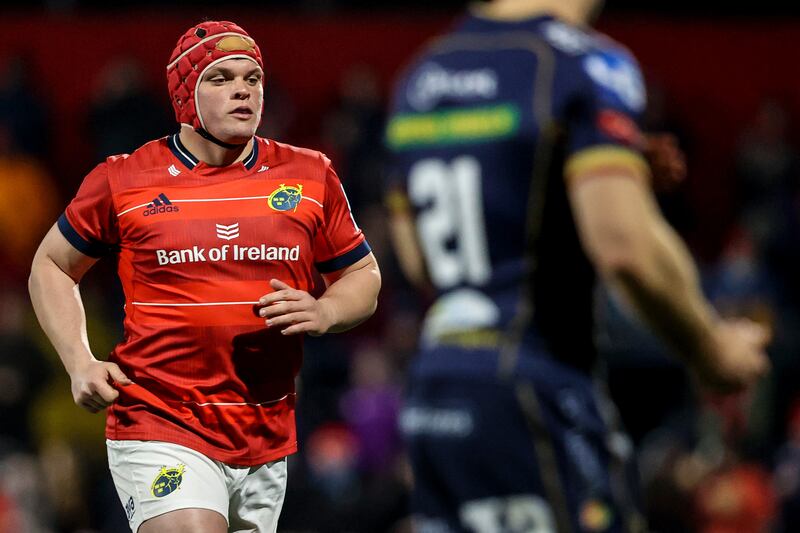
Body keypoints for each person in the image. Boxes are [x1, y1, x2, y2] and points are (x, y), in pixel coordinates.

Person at [384, 1, 769, 531]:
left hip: (437, 395)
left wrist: (577, 188)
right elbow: (623, 246)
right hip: (535, 394)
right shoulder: (581, 63)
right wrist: (711, 349)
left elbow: (417, 257)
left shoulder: (422, 74)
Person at [29, 21, 380, 533]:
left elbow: (363, 274)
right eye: (220, 78)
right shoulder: (124, 178)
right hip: (159, 419)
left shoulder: (310, 174)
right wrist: (79, 360)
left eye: (253, 78)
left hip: (265, 434)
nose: (243, 88)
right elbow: (52, 265)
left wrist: (326, 310)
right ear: (185, 94)